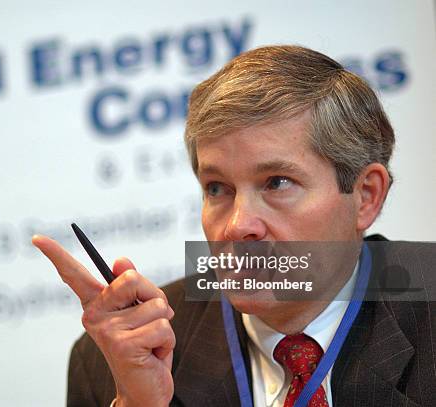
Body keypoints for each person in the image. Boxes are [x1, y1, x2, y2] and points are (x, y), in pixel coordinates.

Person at [32, 45, 436, 406]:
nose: (238, 227)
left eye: (277, 182)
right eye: (217, 188)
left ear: (366, 195)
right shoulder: (113, 362)